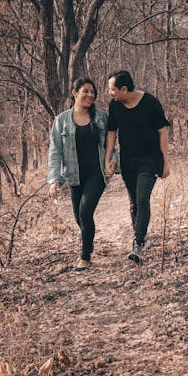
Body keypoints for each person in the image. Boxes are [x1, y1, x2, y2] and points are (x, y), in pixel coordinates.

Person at [105, 70, 170, 264]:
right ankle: (141, 237)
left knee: (142, 198)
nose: (110, 93)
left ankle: (138, 243)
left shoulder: (150, 103)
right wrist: (108, 158)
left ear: (124, 89)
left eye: (112, 89)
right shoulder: (115, 106)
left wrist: (165, 162)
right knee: (134, 201)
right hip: (128, 161)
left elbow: (162, 132)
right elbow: (111, 133)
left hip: (149, 159)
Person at [47, 77, 111, 271]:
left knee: (85, 212)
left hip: (97, 174)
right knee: (79, 217)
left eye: (92, 92)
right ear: (75, 93)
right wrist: (54, 179)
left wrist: (112, 161)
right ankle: (89, 243)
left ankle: (85, 257)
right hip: (74, 176)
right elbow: (55, 151)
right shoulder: (62, 120)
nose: (90, 95)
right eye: (85, 91)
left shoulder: (100, 117)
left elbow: (109, 142)